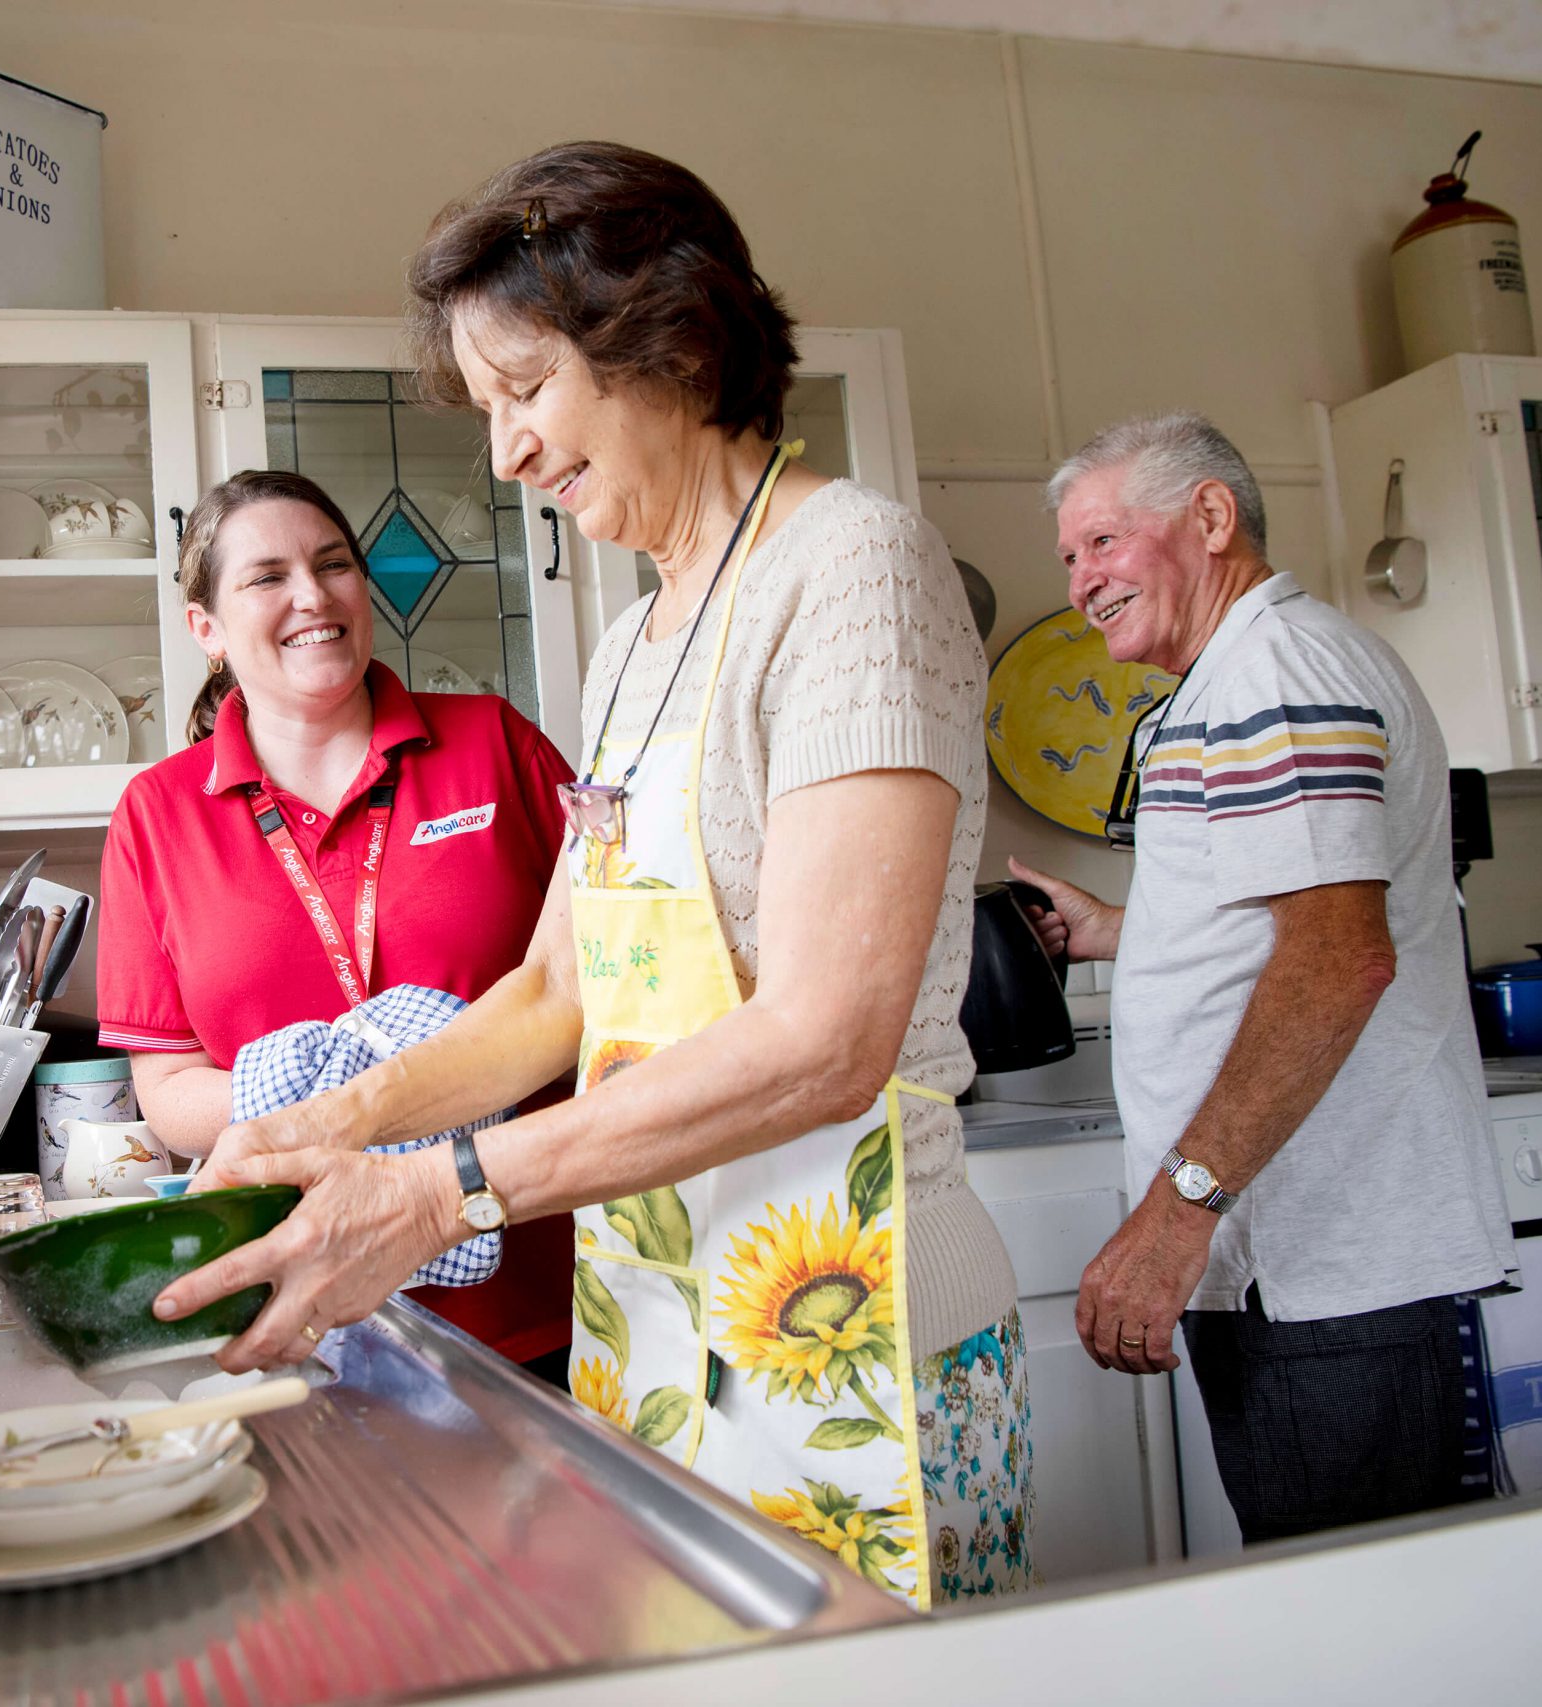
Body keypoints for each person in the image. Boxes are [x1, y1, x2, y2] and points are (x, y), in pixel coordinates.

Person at [152, 143, 1027, 1608]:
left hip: (857, 1330)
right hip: (659, 1317)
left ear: (668, 339)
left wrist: (435, 1195)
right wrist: (331, 1124)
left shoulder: (854, 566)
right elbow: (556, 988)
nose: (504, 456)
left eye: (526, 392)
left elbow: (825, 1034)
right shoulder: (632, 645)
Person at [1010, 411, 1516, 1544]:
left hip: (1325, 1261)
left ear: (1210, 515)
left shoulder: (1274, 675)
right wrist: (1123, 933)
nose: (1081, 578)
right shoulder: (1244, 672)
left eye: (1100, 542)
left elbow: (1340, 959)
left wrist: (1178, 1211)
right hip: (1295, 1257)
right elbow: (1283, 918)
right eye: (1069, 557)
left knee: (1360, 1624)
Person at [95, 468, 578, 1370]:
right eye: (267, 576)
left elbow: (607, 982)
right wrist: (348, 1085)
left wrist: (366, 1093)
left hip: (538, 1303)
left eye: (334, 564)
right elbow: (166, 1093)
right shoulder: (155, 815)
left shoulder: (495, 745)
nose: (312, 595)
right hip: (293, 1315)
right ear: (205, 629)